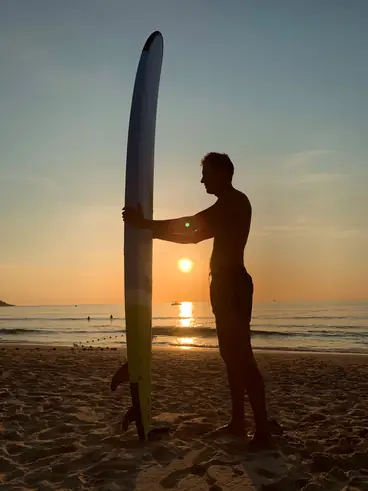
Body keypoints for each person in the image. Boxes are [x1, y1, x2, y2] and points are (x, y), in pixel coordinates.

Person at [122, 152, 279, 449]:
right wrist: (148, 228)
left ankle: (263, 431)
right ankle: (238, 422)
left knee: (243, 358)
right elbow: (193, 229)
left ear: (222, 172)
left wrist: (145, 226)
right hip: (223, 284)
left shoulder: (234, 202)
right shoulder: (227, 203)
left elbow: (193, 229)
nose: (202, 179)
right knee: (229, 357)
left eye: (206, 172)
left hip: (233, 284)